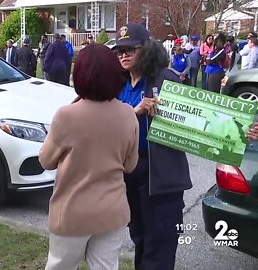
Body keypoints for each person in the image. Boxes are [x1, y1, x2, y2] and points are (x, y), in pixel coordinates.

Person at [40, 44, 139, 270]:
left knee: (61, 266)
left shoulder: (66, 115)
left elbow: (46, 161)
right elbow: (130, 165)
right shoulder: (128, 113)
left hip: (72, 212)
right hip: (113, 211)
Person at [113, 23, 192, 270]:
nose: (123, 55)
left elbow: (200, 120)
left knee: (160, 243)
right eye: (119, 51)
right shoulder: (117, 83)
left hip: (161, 176)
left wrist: (241, 131)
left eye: (130, 49)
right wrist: (134, 112)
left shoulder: (165, 79)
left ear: (146, 49)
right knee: (140, 237)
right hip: (130, 174)